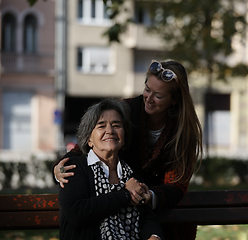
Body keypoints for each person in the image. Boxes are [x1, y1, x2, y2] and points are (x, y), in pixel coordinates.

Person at [55, 60, 203, 240]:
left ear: (174, 100)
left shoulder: (184, 131)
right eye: (147, 89)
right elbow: (91, 139)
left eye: (158, 95)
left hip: (153, 207)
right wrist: (59, 168)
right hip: (119, 200)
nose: (148, 98)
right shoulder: (127, 110)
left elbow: (177, 184)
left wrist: (149, 197)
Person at [59, 99, 164, 240]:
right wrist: (125, 194)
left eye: (116, 125)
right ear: (89, 139)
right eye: (101, 126)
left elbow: (147, 218)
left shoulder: (132, 175)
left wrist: (154, 236)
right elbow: (76, 213)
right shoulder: (75, 168)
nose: (110, 131)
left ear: (124, 137)